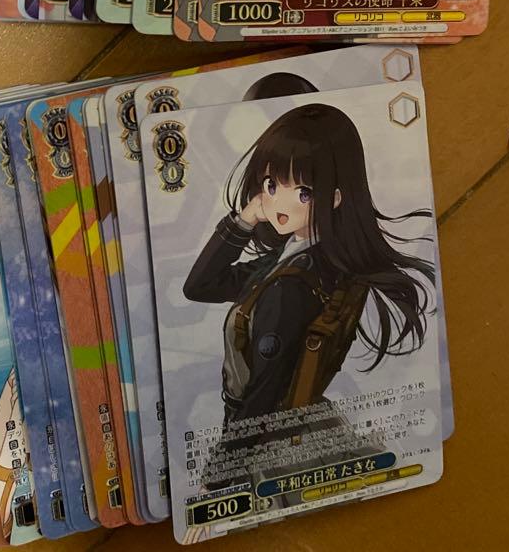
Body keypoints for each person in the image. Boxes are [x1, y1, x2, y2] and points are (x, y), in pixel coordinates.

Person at [184, 103, 433, 429]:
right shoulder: (315, 261)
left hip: (267, 432)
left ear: (335, 197)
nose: (280, 204)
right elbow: (201, 287)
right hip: (301, 419)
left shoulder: (291, 285)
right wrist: (244, 220)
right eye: (272, 185)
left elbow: (264, 395)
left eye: (303, 193)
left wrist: (230, 456)